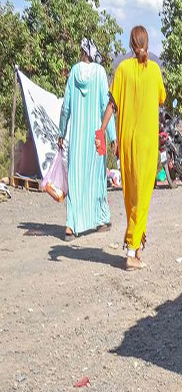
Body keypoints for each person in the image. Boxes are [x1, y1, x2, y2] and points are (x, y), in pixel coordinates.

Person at [98, 26, 165, 270]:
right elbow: (161, 97)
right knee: (142, 199)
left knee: (130, 199)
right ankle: (131, 250)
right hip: (146, 144)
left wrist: (101, 131)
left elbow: (112, 105)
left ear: (130, 44)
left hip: (126, 144)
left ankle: (136, 244)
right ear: (147, 43)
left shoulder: (122, 70)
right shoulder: (154, 70)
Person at [57, 38, 116, 240]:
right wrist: (112, 135)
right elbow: (105, 106)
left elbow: (66, 106)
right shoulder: (100, 73)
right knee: (98, 176)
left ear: (82, 52)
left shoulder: (74, 72)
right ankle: (101, 219)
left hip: (77, 139)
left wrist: (61, 132)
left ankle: (71, 225)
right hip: (97, 136)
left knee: (75, 178)